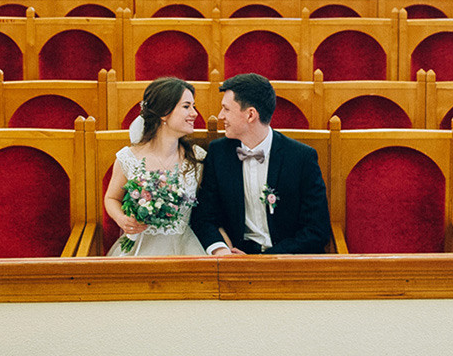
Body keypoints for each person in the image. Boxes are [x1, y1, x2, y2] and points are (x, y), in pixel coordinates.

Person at [190, 72, 330, 255]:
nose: (220, 116)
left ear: (250, 115)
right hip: (235, 258)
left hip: (288, 259)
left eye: (226, 109)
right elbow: (204, 217)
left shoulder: (301, 157)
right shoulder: (219, 153)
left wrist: (263, 261)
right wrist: (221, 250)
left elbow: (317, 230)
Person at [103, 76, 207, 256]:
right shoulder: (128, 158)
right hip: (139, 246)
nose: (194, 113)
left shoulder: (197, 158)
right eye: (186, 106)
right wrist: (122, 219)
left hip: (184, 247)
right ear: (164, 113)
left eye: (193, 106)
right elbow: (111, 198)